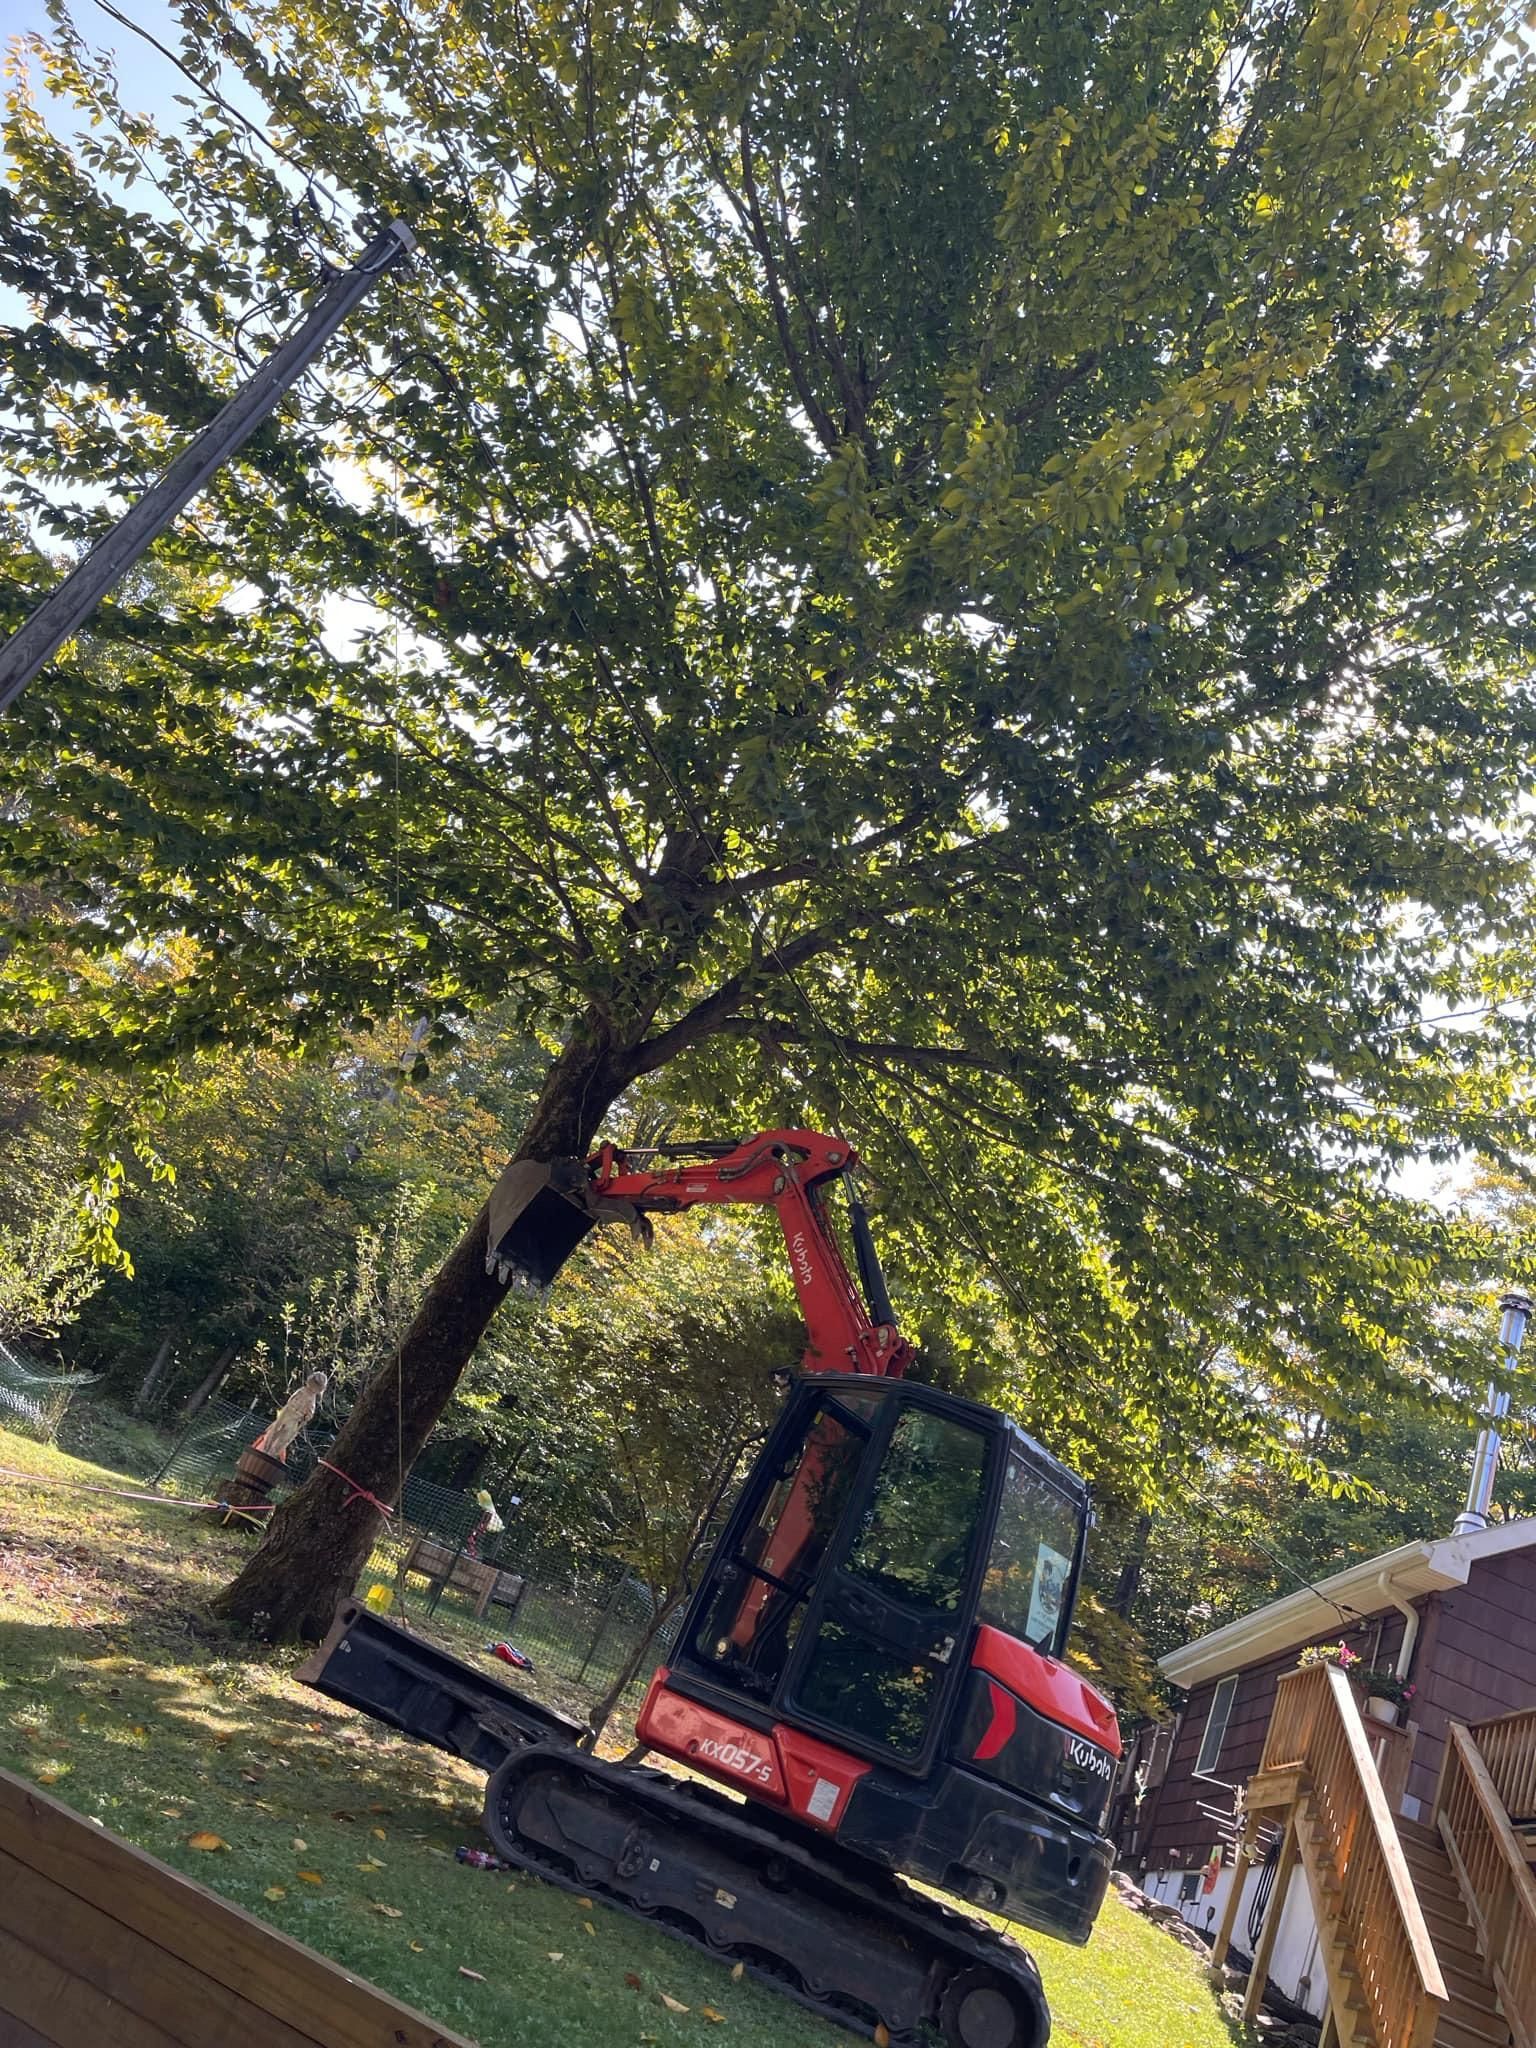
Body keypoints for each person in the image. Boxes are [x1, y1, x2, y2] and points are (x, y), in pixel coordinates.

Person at [254, 1370, 328, 1461]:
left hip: (295, 1419)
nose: (313, 1387)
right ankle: (264, 1449)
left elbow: (309, 1413)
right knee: (274, 1431)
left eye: (316, 1385)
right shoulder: (302, 1390)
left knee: (283, 1439)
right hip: (287, 1413)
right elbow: (291, 1400)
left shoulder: (312, 1399)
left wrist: (304, 1419)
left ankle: (269, 1455)